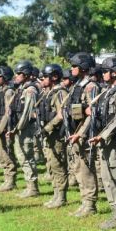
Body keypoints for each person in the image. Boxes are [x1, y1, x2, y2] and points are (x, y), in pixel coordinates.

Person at [89, 57, 116, 230]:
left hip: (115, 141)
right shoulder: (108, 91)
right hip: (105, 139)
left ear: (114, 72)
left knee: (115, 175)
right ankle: (114, 212)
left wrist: (103, 135)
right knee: (106, 176)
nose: (103, 74)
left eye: (105, 71)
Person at [66, 53, 101, 217]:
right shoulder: (77, 85)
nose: (71, 69)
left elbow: (92, 114)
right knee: (78, 168)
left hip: (84, 134)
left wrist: (80, 134)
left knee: (86, 168)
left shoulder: (91, 86)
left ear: (83, 67)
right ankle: (84, 201)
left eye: (74, 66)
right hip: (75, 132)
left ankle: (90, 204)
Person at [38, 64, 70, 208]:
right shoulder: (49, 92)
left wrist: (48, 127)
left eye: (45, 77)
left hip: (57, 134)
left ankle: (61, 197)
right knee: (51, 164)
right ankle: (56, 194)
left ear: (54, 77)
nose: (42, 79)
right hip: (49, 134)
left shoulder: (60, 92)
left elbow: (61, 114)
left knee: (58, 165)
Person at [10, 60, 41, 198]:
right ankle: (29, 186)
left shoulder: (30, 90)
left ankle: (33, 188)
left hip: (27, 128)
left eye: (19, 74)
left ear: (26, 74)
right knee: (21, 156)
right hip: (21, 128)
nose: (16, 76)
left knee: (27, 157)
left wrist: (17, 128)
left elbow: (27, 113)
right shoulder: (22, 88)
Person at [0, 65, 18, 192]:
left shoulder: (8, 92)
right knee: (1, 155)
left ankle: (10, 181)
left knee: (7, 154)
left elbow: (8, 113)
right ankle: (6, 179)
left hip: (5, 127)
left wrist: (0, 129)